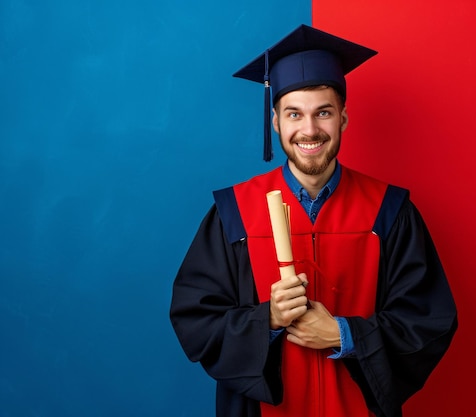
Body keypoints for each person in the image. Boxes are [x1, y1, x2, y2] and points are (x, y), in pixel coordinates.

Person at [170, 24, 457, 417]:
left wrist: (345, 335)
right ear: (276, 123)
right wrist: (266, 319)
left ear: (343, 118)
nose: (309, 130)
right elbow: (196, 321)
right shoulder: (234, 212)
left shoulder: (389, 211)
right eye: (294, 114)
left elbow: (428, 322)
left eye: (323, 112)